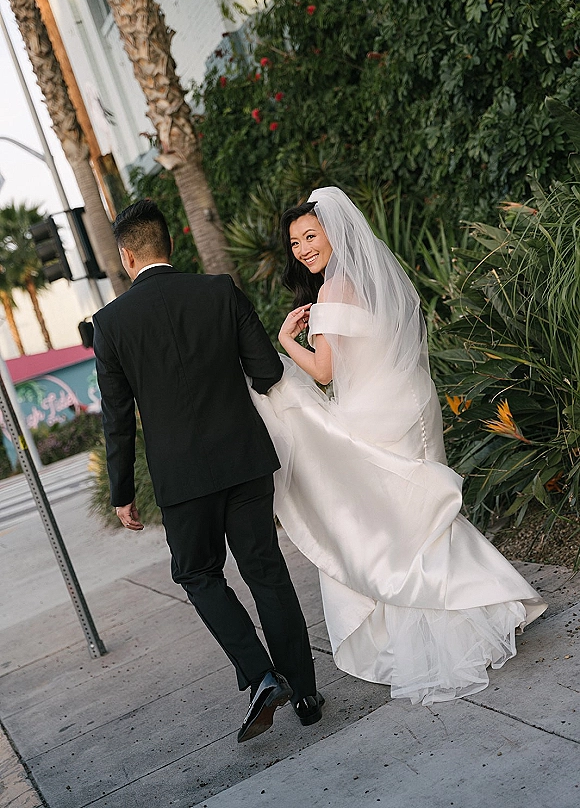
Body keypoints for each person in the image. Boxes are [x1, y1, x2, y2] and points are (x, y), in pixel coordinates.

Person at [249, 186, 546, 706]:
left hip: (374, 412)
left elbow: (323, 371)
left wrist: (286, 340)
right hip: (409, 403)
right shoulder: (370, 284)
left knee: (392, 529)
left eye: (310, 236)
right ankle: (485, 605)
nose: (301, 249)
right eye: (295, 242)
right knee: (422, 519)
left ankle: (452, 624)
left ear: (335, 235)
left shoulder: (332, 293)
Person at [92, 200, 323, 743]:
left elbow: (117, 418)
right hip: (245, 460)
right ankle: (307, 695)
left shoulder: (109, 325)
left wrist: (121, 491)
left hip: (181, 480)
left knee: (197, 575)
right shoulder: (219, 291)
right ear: (170, 245)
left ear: (127, 257)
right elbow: (266, 372)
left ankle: (261, 673)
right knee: (265, 570)